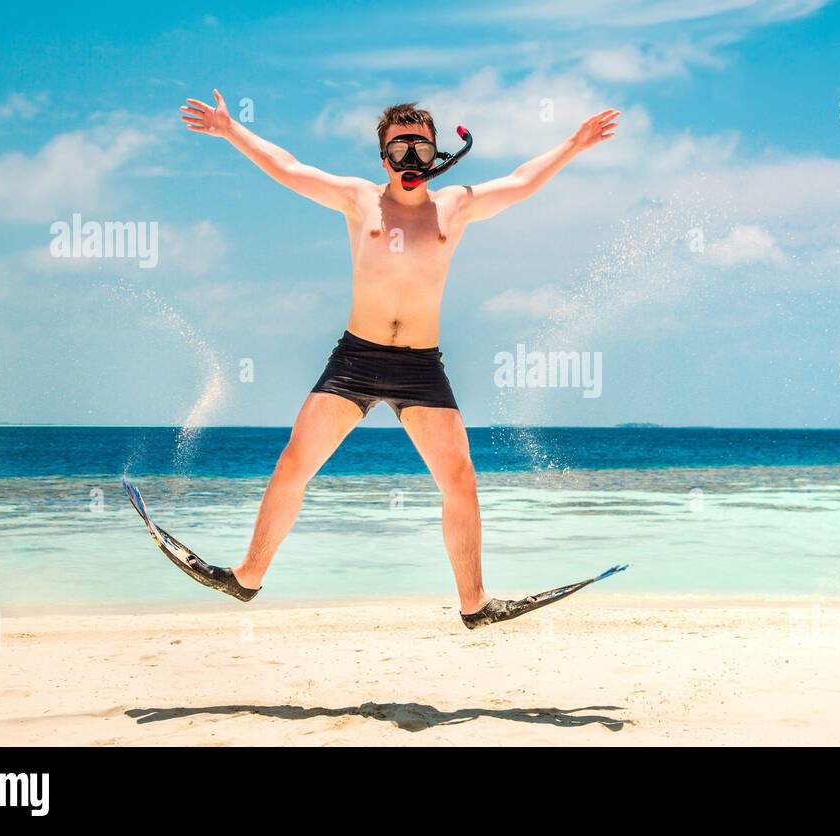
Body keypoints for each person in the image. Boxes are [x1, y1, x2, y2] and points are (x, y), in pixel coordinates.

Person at [175, 91, 619, 627]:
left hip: (420, 368)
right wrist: (230, 131)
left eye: (421, 148)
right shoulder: (360, 200)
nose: (411, 159)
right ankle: (247, 576)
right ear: (383, 156)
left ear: (438, 154)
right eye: (399, 147)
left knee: (459, 477)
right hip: (355, 360)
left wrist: (574, 142)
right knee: (295, 462)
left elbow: (522, 182)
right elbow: (289, 168)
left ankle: (475, 603)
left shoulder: (454, 206)